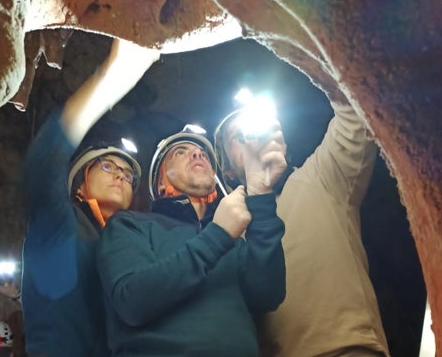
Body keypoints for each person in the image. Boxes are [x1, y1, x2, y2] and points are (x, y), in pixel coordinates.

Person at [214, 98, 390, 357]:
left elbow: (356, 109)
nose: (251, 138)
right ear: (227, 170)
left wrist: (316, 58)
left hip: (346, 349)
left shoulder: (322, 175)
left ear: (281, 141)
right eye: (238, 136)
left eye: (256, 128)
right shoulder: (228, 227)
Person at [19, 38, 159, 357]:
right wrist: (113, 77)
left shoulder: (135, 244)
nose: (122, 175)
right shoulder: (61, 225)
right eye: (108, 166)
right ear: (79, 186)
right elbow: (44, 160)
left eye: (128, 175)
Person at [96, 128, 288, 357]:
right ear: (160, 182)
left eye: (204, 154)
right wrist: (218, 235)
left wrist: (261, 197)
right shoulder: (131, 224)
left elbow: (267, 296)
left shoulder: (232, 240)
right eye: (181, 152)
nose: (198, 154)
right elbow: (132, 302)